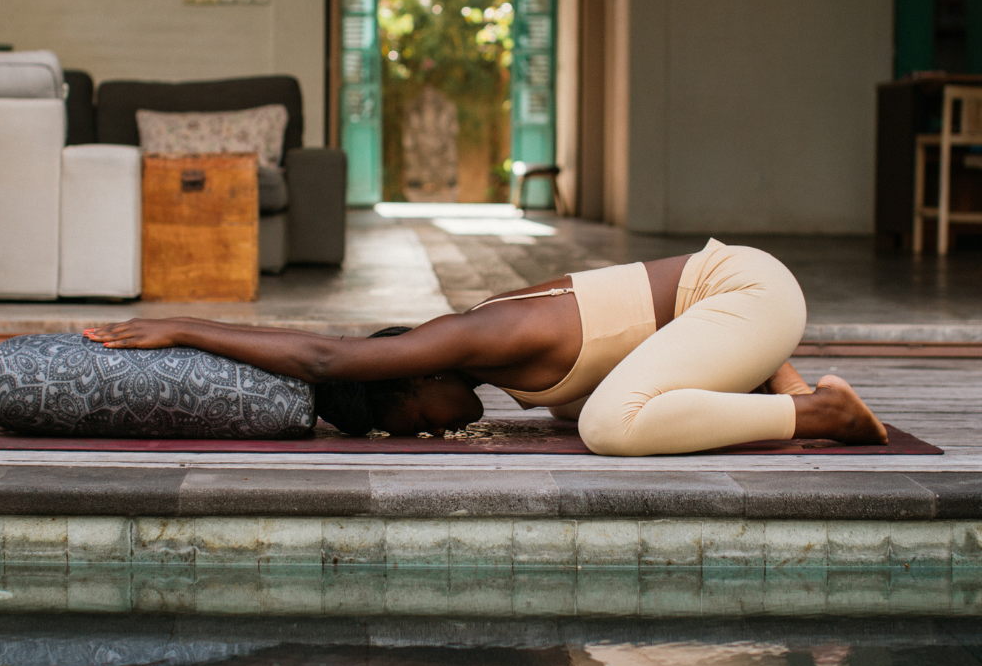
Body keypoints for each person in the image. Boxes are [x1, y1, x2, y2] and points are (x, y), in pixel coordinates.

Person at [84, 237, 887, 456]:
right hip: (733, 309)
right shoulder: (489, 360)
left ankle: (817, 416)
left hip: (746, 292)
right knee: (578, 411)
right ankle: (769, 377)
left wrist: (184, 325)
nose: (432, 431)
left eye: (413, 424)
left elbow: (327, 358)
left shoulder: (471, 335)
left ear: (411, 377)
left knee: (610, 426)